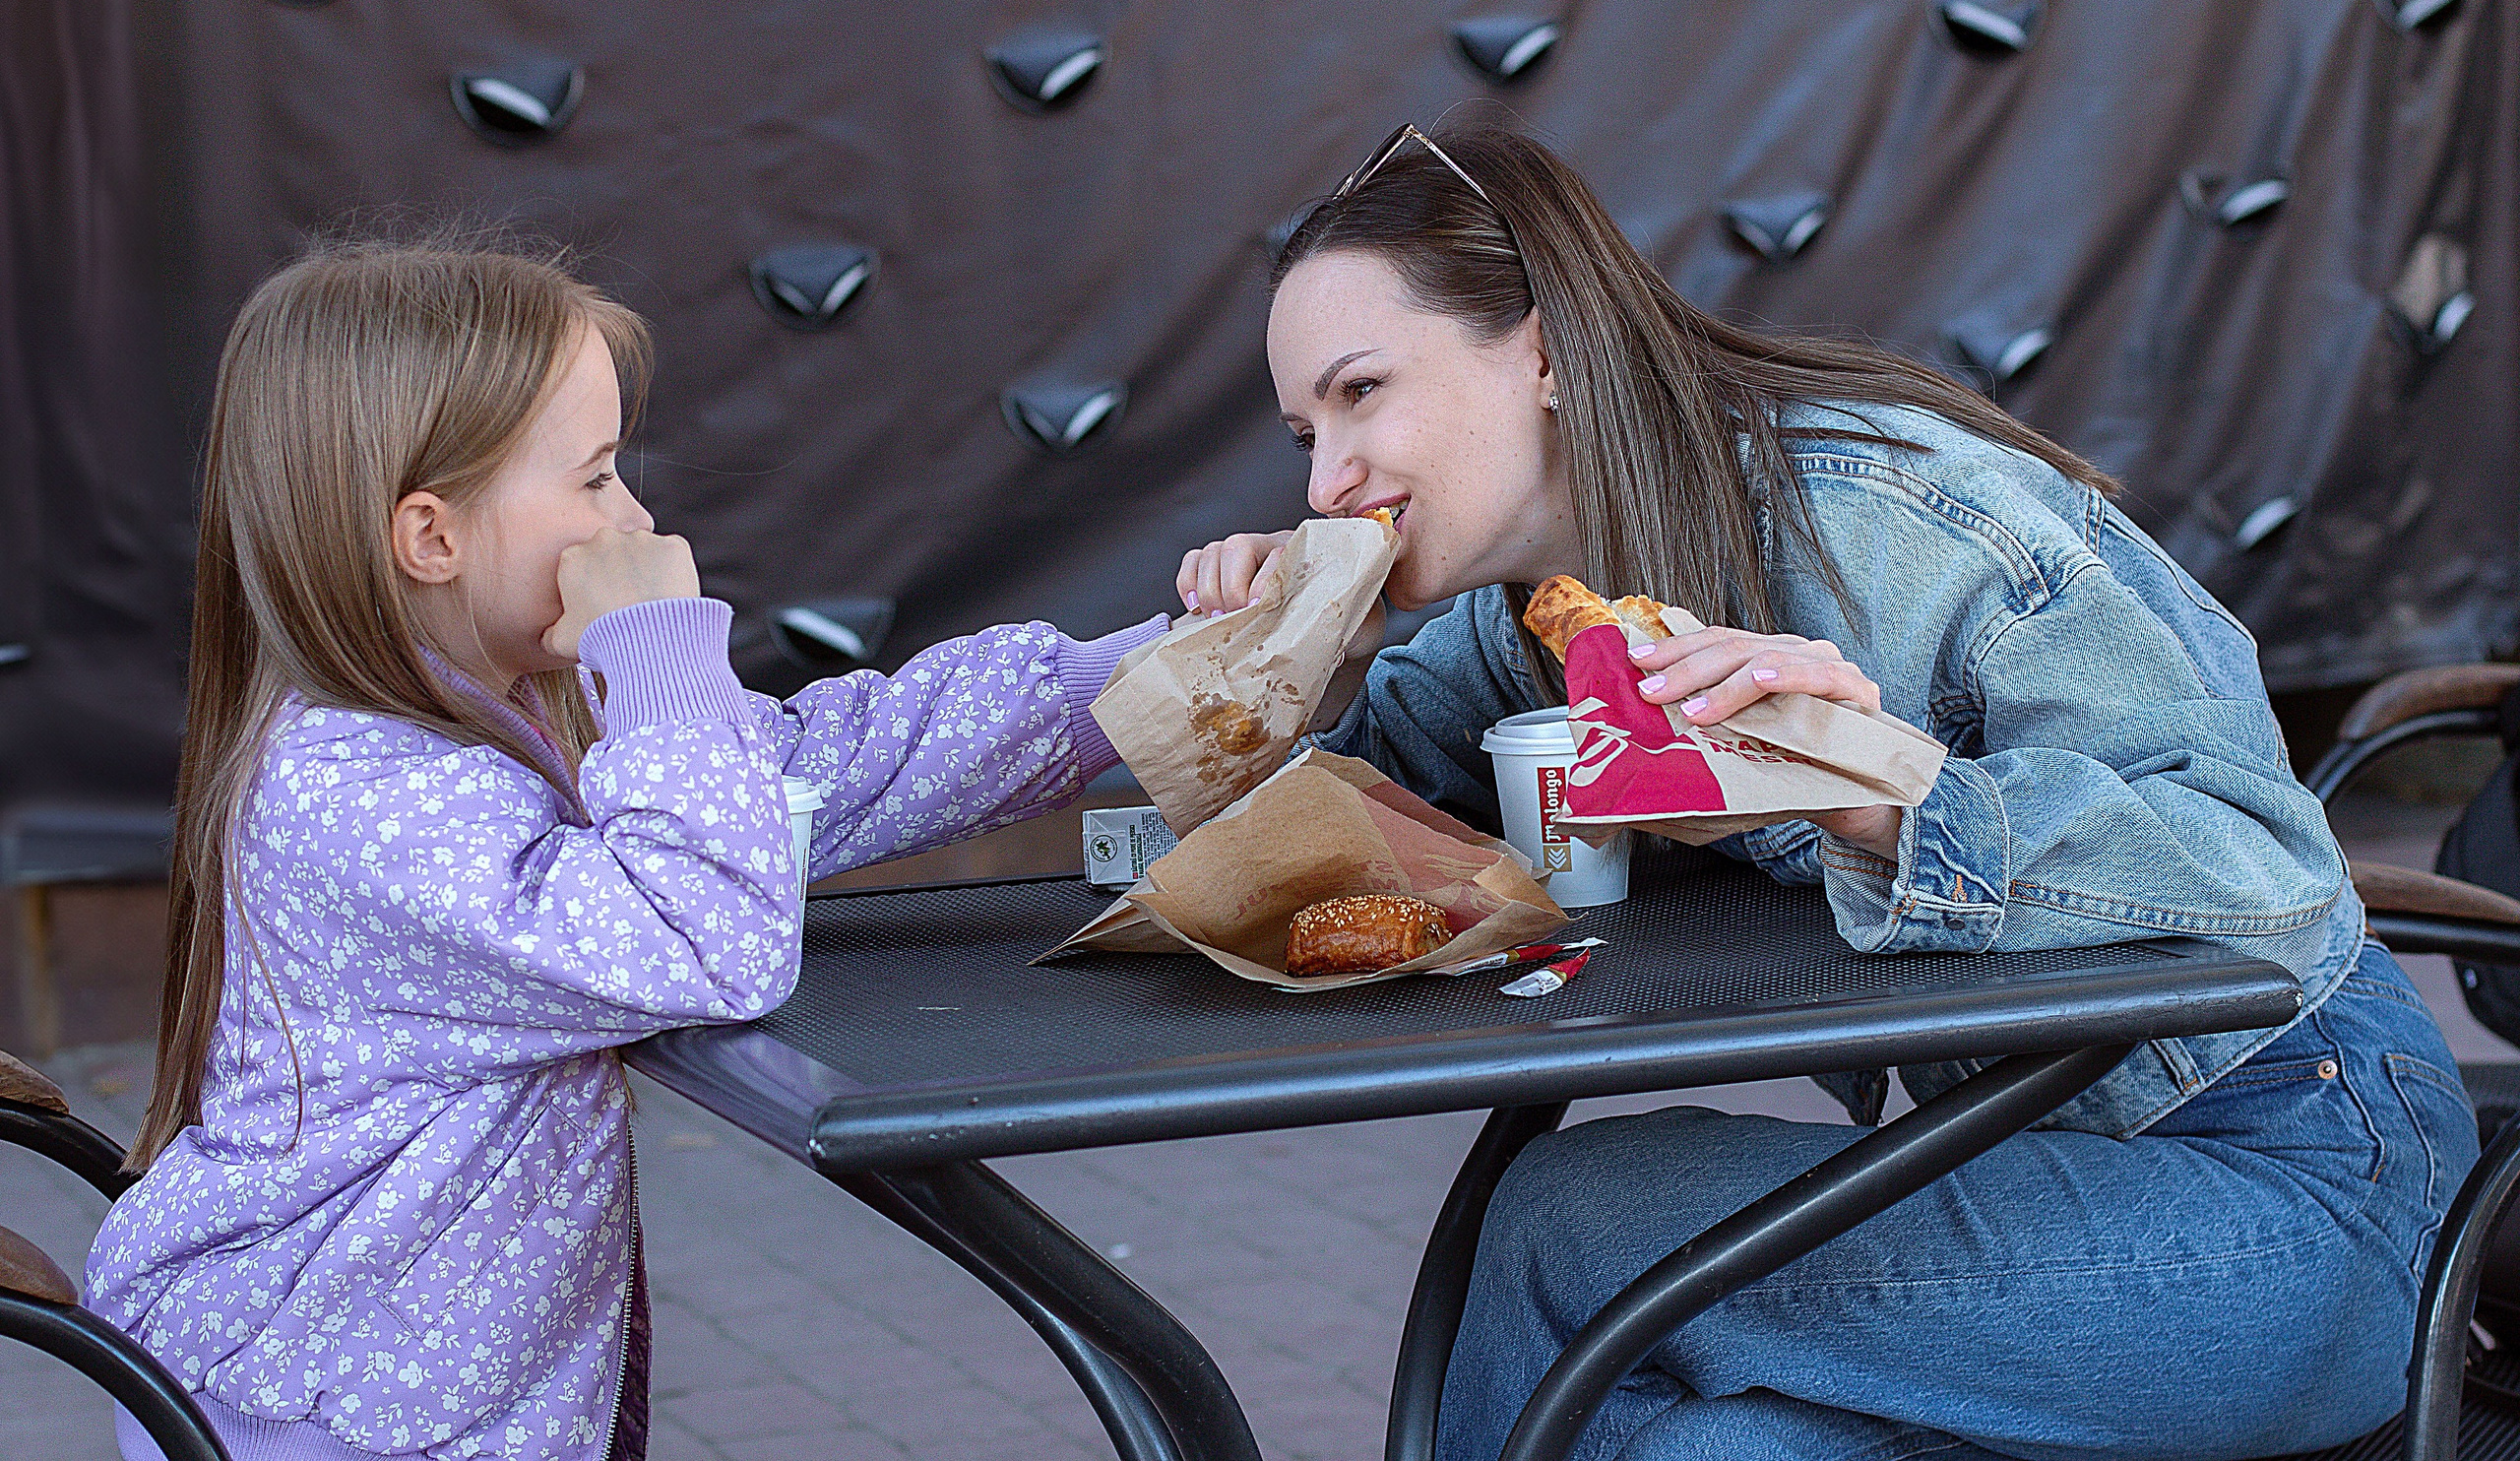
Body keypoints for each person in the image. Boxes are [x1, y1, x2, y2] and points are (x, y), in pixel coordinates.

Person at [1178, 122, 2477, 1460]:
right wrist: (1288, 674)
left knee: (1568, 1222)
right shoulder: (1525, 634)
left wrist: (1879, 790)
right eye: (1302, 432)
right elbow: (1300, 865)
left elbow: (2263, 855)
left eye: (1360, 392)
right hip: (2024, 1172)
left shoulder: (1893, 513)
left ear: (1549, 350)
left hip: (2303, 1182)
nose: (1325, 479)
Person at [88, 242, 1168, 1461]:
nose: (639, 520)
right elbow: (705, 936)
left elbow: (795, 777)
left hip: (399, 1395)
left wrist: (1138, 683)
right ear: (430, 534)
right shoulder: (359, 794)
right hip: (333, 1419)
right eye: (596, 479)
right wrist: (656, 646)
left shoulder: (500, 710)